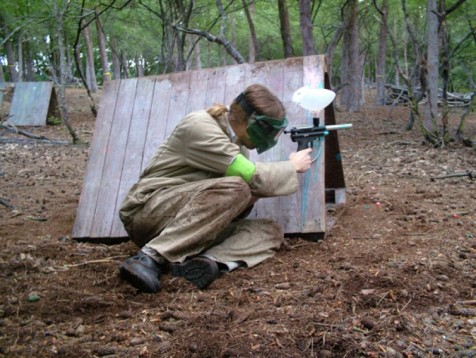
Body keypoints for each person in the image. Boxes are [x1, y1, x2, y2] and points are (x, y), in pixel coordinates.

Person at [118, 84, 312, 293]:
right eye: (269, 131)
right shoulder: (200, 126)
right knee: (239, 186)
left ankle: (201, 263)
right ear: (254, 123)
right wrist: (291, 167)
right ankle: (148, 259)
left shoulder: (238, 145)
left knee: (270, 231)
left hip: (187, 226)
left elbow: (229, 196)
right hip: (149, 211)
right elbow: (249, 176)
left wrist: (252, 195)